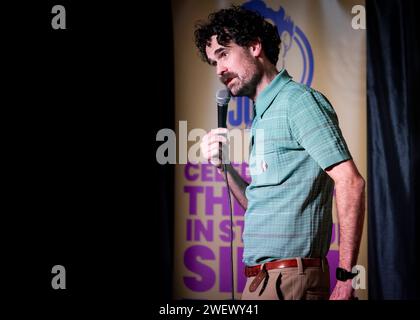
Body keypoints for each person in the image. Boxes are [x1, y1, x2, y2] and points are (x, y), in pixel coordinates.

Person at [195, 6, 365, 300]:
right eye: (213, 62)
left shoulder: (298, 102)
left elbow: (351, 182)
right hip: (263, 281)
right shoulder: (262, 115)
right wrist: (224, 167)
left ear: (254, 46)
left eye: (223, 54)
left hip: (291, 279)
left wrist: (347, 276)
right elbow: (257, 205)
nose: (219, 69)